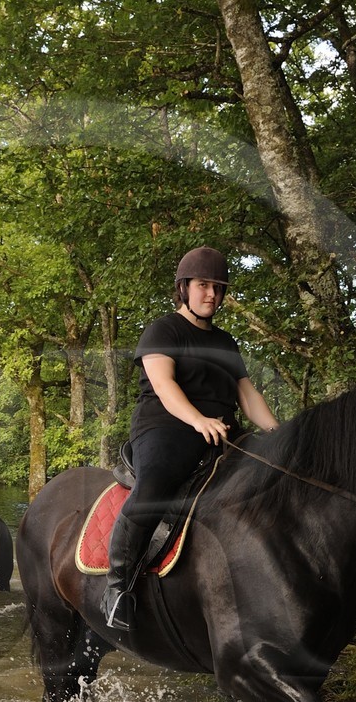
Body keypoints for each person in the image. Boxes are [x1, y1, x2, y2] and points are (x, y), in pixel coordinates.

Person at [102, 247, 280, 631]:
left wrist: (278, 433)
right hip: (166, 427)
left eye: (218, 287)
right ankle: (118, 587)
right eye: (203, 285)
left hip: (221, 433)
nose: (211, 294)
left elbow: (247, 395)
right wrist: (198, 419)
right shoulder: (163, 330)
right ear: (184, 288)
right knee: (156, 485)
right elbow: (164, 385)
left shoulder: (226, 342)